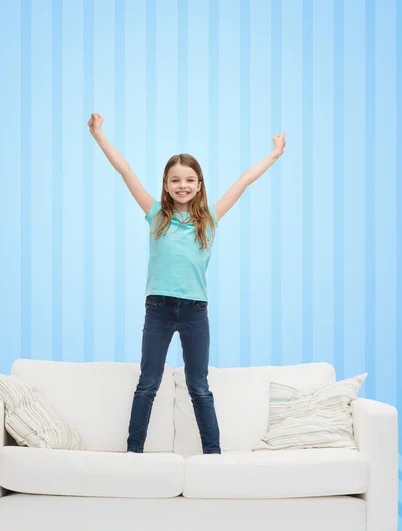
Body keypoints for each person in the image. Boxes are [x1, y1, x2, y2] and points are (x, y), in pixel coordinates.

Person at [88, 113, 286, 454]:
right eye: (175, 180)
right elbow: (125, 171)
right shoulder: (156, 216)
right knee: (148, 383)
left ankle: (213, 455)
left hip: (195, 311)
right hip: (158, 309)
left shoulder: (209, 218)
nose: (183, 185)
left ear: (199, 185)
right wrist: (99, 135)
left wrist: (274, 154)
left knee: (199, 385)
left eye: (190, 180)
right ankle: (132, 453)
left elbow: (243, 181)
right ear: (165, 185)